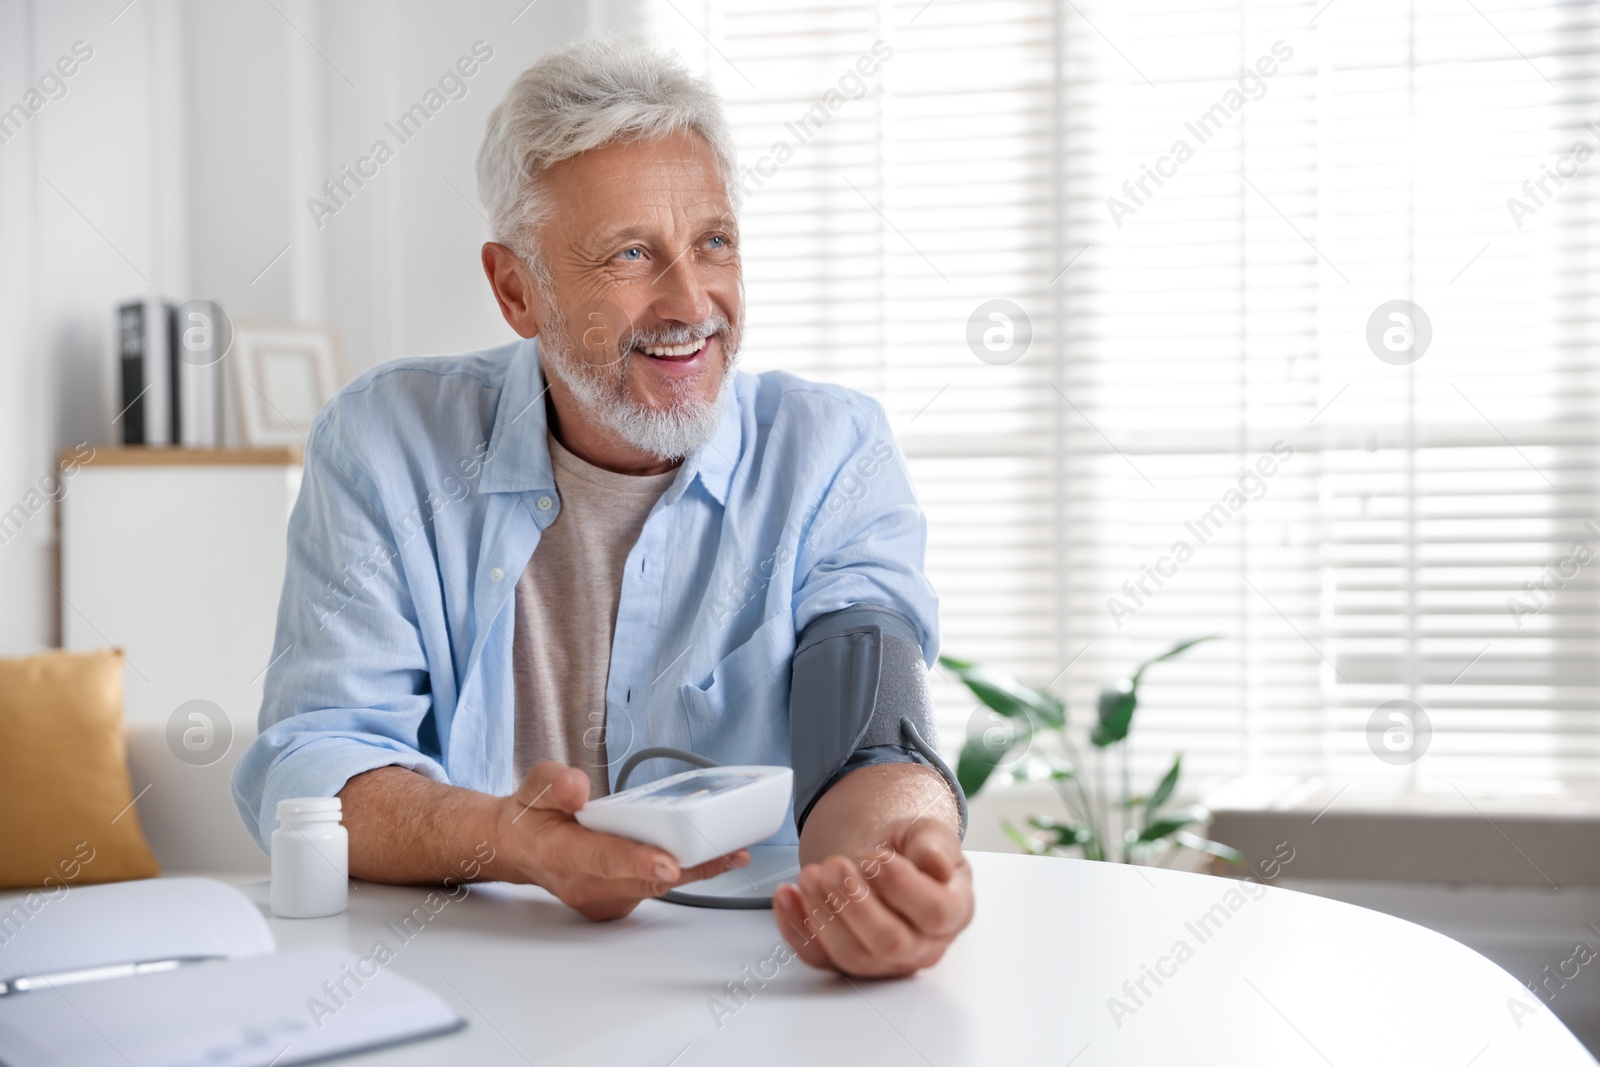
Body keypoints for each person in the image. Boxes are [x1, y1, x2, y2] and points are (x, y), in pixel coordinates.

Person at [233, 37, 973, 978]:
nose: (691, 302)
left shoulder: (831, 452)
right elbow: (316, 766)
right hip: (461, 971)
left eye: (713, 241)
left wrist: (893, 866)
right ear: (517, 290)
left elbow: (871, 730)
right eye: (632, 254)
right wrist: (515, 839)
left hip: (742, 978)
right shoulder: (387, 442)